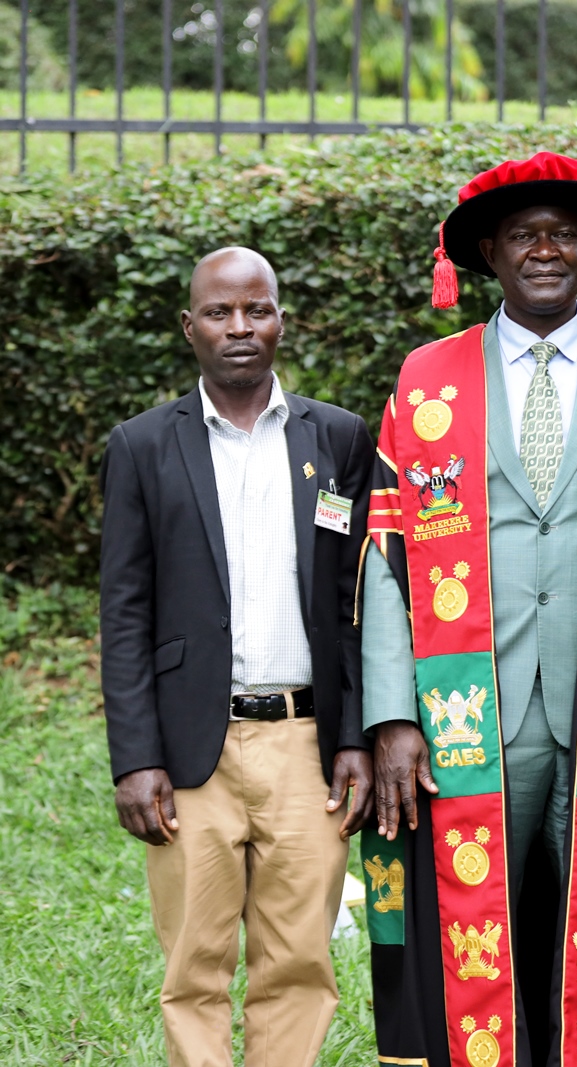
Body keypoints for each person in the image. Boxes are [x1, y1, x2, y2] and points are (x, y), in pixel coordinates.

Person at [359, 152, 577, 1067]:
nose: (544, 250)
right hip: (470, 705)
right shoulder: (428, 380)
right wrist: (393, 712)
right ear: (489, 251)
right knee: (479, 928)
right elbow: (385, 558)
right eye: (524, 235)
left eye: (562, 234)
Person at [99, 247, 375, 1067]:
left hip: (305, 743)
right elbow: (124, 612)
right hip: (192, 749)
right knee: (195, 964)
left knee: (300, 961)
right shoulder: (143, 445)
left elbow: (356, 604)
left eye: (257, 309)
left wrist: (355, 734)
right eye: (220, 312)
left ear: (281, 320)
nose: (240, 327)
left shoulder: (338, 437)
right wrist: (135, 756)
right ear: (191, 327)